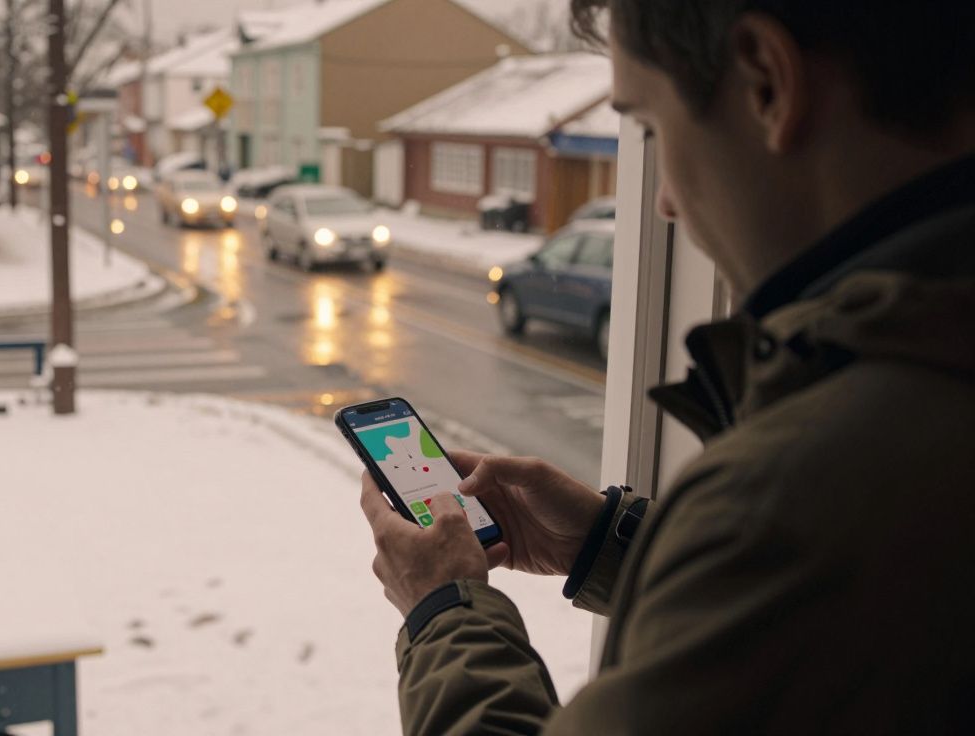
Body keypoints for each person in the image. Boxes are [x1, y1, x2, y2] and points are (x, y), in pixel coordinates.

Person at [358, 0, 975, 732]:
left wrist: (442, 611)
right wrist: (612, 543)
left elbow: (804, 556)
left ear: (766, 82)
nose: (667, 203)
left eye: (651, 127)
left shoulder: (812, 485)